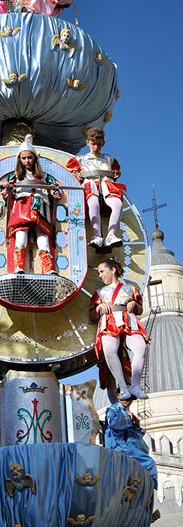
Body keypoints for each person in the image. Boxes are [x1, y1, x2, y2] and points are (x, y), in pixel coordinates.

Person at [0, 134, 62, 275]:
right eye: (24, 158)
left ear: (35, 158)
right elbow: (5, 191)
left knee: (43, 237)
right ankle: (18, 267)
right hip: (22, 206)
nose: (27, 161)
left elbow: (55, 188)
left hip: (41, 206)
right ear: (19, 160)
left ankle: (48, 269)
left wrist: (55, 193)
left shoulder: (45, 176)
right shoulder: (14, 176)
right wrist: (5, 190)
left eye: (30, 157)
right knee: (21, 236)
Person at [90, 257, 149, 403]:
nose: (100, 275)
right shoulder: (99, 292)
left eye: (102, 271)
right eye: (99, 273)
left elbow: (140, 309)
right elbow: (92, 315)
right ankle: (123, 386)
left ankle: (135, 385)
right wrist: (98, 308)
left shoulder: (130, 288)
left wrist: (134, 304)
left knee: (141, 347)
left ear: (113, 270)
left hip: (127, 320)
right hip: (108, 321)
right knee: (109, 350)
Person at [67, 127, 125, 248]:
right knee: (94, 204)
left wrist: (116, 174)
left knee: (117, 204)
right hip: (90, 185)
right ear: (87, 142)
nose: (96, 147)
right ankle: (97, 235)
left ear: (103, 143)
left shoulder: (109, 159)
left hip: (107, 185)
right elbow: (71, 173)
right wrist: (76, 174)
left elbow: (116, 172)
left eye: (99, 144)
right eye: (93, 144)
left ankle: (111, 235)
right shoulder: (80, 159)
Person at [105, 391, 157, 488]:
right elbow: (115, 423)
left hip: (128, 445)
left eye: (131, 400)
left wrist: (135, 423)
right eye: (127, 399)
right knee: (148, 462)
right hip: (119, 445)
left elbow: (134, 432)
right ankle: (148, 484)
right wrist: (127, 417)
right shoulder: (114, 408)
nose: (129, 402)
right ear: (118, 395)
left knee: (145, 463)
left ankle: (143, 484)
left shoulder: (124, 411)